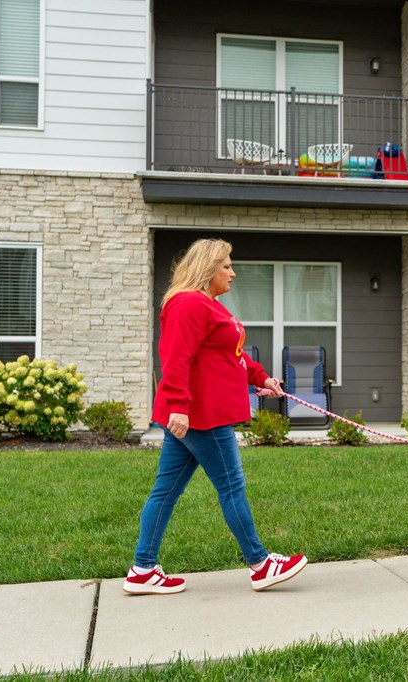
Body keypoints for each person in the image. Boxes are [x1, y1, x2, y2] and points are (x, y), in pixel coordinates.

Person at [123, 238, 307, 595]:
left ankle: (143, 569)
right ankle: (260, 563)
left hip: (199, 414)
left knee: (166, 491)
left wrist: (262, 378)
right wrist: (178, 405)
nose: (233, 272)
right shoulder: (189, 304)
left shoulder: (208, 305)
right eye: (226, 265)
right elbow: (176, 358)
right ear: (208, 269)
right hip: (201, 415)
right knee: (231, 487)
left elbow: (232, 355)